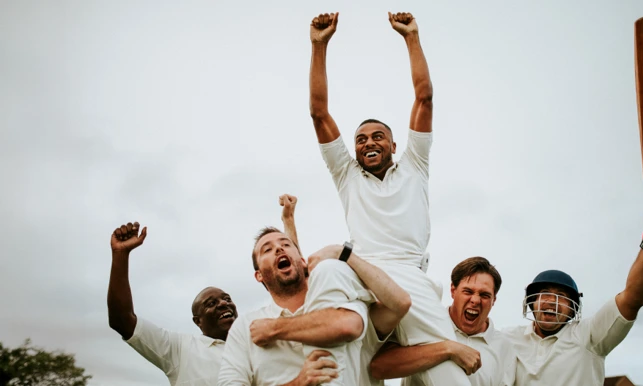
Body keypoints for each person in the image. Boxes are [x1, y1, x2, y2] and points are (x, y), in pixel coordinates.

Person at [309, 11, 470, 385]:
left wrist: (411, 37)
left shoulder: (414, 164)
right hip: (361, 273)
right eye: (361, 139)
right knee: (328, 274)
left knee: (449, 376)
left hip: (409, 276)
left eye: (377, 136)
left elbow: (424, 97)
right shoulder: (346, 174)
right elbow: (319, 113)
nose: (368, 142)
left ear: (395, 145)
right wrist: (319, 46)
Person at [107, 195, 299, 386]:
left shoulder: (260, 337)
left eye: (227, 299)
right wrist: (120, 255)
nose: (223, 303)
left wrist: (288, 223)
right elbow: (122, 319)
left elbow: (296, 285)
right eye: (211, 303)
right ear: (197, 321)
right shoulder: (179, 350)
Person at [502, 201, 643, 385]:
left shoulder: (589, 336)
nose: (552, 302)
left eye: (562, 297)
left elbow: (632, 299)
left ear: (573, 310)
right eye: (545, 293)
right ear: (531, 302)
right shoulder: (507, 338)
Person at [217, 228, 411, 385]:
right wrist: (298, 383)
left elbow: (400, 303)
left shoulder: (345, 303)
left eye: (286, 244)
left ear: (302, 261)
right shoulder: (245, 327)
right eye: (267, 249)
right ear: (258, 275)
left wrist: (343, 254)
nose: (279, 249)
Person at [370, 257, 517, 386]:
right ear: (453, 290)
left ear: (494, 300)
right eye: (468, 291)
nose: (475, 300)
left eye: (484, 295)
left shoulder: (504, 347)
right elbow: (378, 367)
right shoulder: (425, 320)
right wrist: (448, 349)